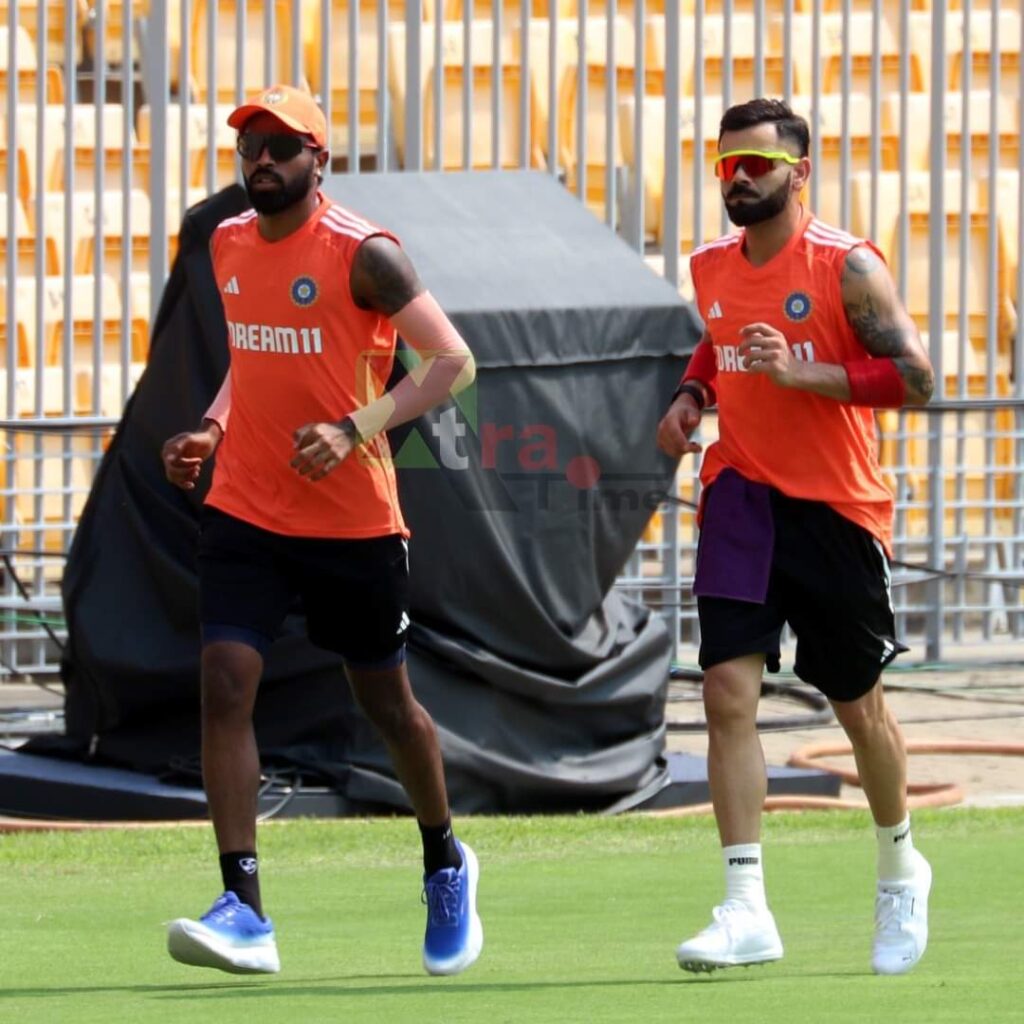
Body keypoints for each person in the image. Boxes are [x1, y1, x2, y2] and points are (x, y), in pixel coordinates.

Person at [161, 84, 482, 978]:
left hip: (352, 521)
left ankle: (444, 858)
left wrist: (356, 426)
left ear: (318, 159)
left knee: (389, 708)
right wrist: (213, 428)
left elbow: (454, 361)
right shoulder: (226, 243)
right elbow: (251, 359)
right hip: (246, 508)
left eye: (280, 145)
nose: (260, 159)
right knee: (226, 682)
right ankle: (244, 909)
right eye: (249, 145)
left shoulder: (364, 254)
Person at [656, 98, 935, 977]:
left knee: (858, 709)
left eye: (756, 165)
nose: (737, 179)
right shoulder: (709, 266)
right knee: (727, 696)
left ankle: (899, 866)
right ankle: (745, 907)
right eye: (726, 164)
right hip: (740, 496)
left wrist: (802, 371)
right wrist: (693, 396)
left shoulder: (847, 266)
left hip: (836, 509)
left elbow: (915, 377)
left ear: (797, 174)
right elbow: (718, 344)